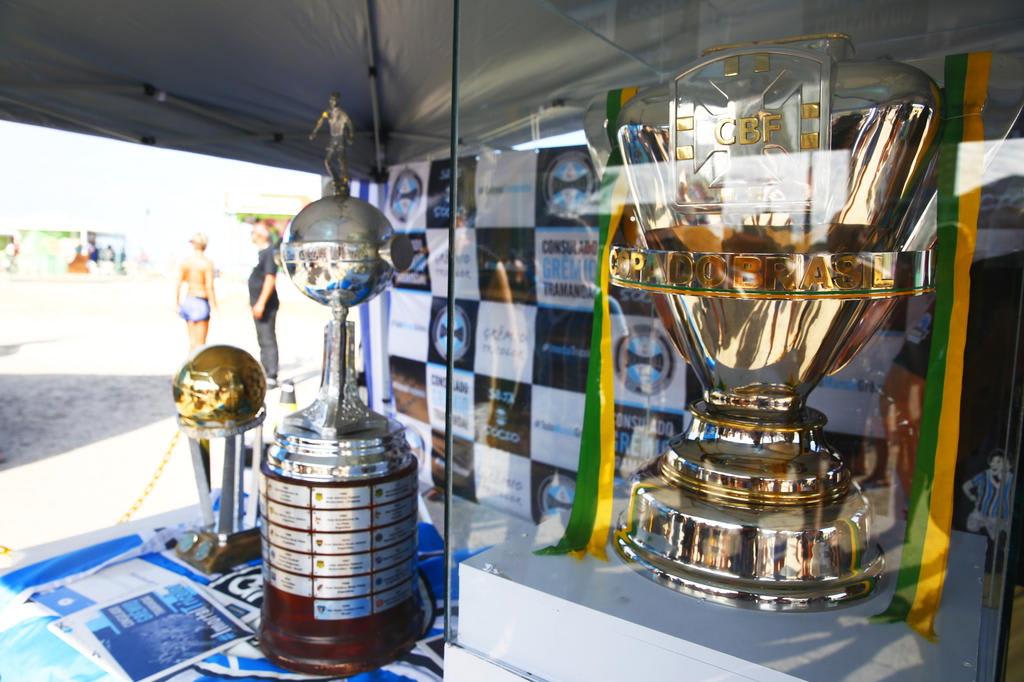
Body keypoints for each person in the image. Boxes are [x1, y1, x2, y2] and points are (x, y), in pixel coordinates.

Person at [250, 222, 280, 388]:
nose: (252, 236)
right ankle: (265, 369)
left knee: (268, 338)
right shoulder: (261, 254)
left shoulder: (269, 253)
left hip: (266, 305)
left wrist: (261, 303)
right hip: (258, 303)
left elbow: (270, 279)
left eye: (254, 233)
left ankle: (271, 374)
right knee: (262, 338)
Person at [176, 233, 217, 350]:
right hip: (201, 301)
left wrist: (177, 302)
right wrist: (214, 306)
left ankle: (190, 367)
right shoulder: (207, 263)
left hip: (188, 300)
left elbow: (178, 283)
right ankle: (197, 367)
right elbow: (209, 286)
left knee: (192, 342)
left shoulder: (186, 262)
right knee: (201, 344)